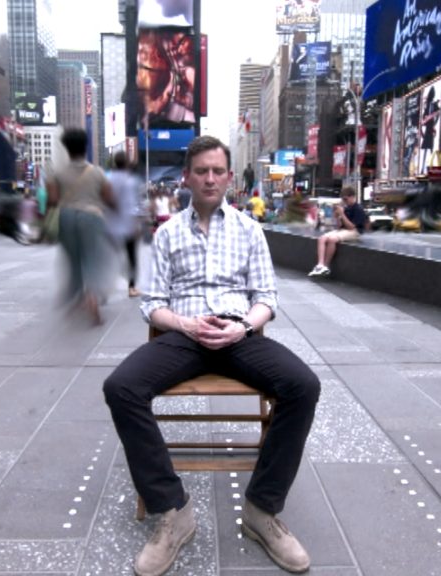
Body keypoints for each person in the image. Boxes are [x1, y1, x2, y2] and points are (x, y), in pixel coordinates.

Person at [103, 136, 319, 576]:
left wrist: (242, 326)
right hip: (183, 335)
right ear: (187, 176)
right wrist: (184, 324)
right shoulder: (166, 234)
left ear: (228, 177)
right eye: (201, 170)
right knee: (121, 387)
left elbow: (266, 297)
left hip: (238, 334)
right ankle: (173, 511)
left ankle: (262, 510)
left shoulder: (249, 229)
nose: (209, 178)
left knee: (303, 385)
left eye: (218, 171)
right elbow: (152, 303)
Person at [46, 128, 117, 325]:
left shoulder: (57, 174)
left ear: (66, 148)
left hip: (66, 218)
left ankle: (76, 297)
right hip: (92, 218)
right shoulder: (97, 172)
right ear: (85, 147)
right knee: (93, 260)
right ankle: (92, 298)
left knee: (74, 261)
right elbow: (110, 199)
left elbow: (51, 200)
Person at [106, 151, 144, 298]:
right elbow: (134, 204)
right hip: (128, 226)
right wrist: (138, 223)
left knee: (109, 257)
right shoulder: (132, 180)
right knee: (132, 257)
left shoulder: (108, 178)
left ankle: (104, 286)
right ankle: (131, 287)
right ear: (126, 163)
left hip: (110, 226)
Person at [308, 187, 366, 277]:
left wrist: (342, 214)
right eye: (343, 199)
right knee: (322, 238)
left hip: (355, 232)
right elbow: (339, 226)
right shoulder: (346, 208)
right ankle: (320, 265)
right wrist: (337, 217)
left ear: (352, 197)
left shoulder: (358, 209)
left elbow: (351, 227)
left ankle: (326, 265)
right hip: (343, 230)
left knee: (332, 239)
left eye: (346, 199)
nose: (345, 201)